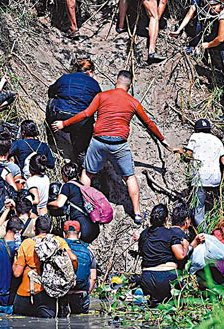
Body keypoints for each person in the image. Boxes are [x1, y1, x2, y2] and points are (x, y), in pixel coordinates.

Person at [52, 70, 172, 224]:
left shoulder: (103, 96)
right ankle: (137, 213)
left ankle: (83, 207)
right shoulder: (133, 102)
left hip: (98, 142)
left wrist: (64, 123)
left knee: (88, 173)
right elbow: (148, 123)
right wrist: (163, 140)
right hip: (119, 145)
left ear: (116, 81)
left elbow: (86, 114)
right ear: (129, 86)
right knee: (129, 176)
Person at [136, 204, 202, 306]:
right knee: (176, 307)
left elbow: (141, 253)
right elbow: (181, 255)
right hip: (166, 278)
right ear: (166, 220)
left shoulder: (144, 234)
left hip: (147, 278)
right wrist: (186, 245)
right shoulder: (170, 234)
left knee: (153, 308)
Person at [13, 216, 78, 318]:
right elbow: (73, 258)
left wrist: (15, 257)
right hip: (48, 292)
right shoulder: (58, 241)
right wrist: (71, 277)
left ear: (34, 229)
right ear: (51, 229)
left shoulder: (27, 243)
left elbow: (17, 273)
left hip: (26, 293)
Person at [116, 0, 177, 64]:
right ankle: (152, 52)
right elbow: (163, 0)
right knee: (153, 17)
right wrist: (156, 18)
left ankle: (120, 26)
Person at [46, 59, 101, 164]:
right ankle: (80, 157)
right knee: (87, 122)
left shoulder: (65, 78)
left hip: (60, 114)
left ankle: (50, 133)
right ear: (90, 72)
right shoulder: (94, 84)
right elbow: (98, 104)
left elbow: (51, 92)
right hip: (81, 120)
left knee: (52, 101)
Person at [176, 119, 224, 229]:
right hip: (215, 178)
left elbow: (188, 155)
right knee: (214, 206)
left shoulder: (195, 137)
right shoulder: (217, 140)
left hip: (200, 178)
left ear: (196, 129)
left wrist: (181, 152)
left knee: (199, 210)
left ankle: (204, 234)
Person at [170, 0, 224, 73]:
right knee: (200, 25)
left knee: (219, 39)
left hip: (221, 20)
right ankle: (197, 49)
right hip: (207, 19)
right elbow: (191, 11)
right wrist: (179, 30)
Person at [48, 162, 100, 243]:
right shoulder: (82, 185)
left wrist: (48, 204)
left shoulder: (67, 186)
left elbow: (59, 204)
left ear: (64, 175)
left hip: (80, 228)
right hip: (93, 227)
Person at [62, 220, 97, 314]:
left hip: (63, 295)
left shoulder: (60, 248)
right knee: (82, 324)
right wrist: (86, 293)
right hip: (81, 294)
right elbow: (93, 278)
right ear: (80, 234)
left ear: (63, 234)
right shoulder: (88, 251)